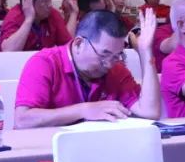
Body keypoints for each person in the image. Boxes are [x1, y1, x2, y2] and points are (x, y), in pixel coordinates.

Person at [14, 10, 161, 127]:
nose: (109, 64)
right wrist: (83, 110)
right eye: (104, 55)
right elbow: (22, 120)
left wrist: (146, 52)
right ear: (79, 44)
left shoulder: (115, 68)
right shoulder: (45, 63)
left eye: (117, 55)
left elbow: (150, 112)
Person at [0, 0, 72, 52]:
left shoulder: (52, 14)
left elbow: (68, 47)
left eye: (50, 0)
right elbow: (8, 51)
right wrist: (28, 19)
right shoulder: (15, 15)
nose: (50, 5)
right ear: (29, 1)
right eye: (45, 1)